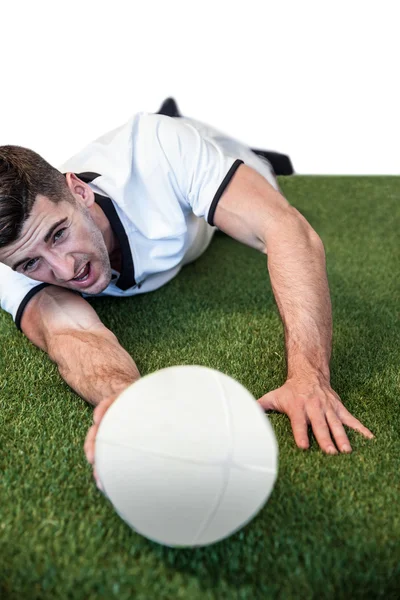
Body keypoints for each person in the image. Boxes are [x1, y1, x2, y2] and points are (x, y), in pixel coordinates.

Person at [0, 99, 374, 490]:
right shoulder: (10, 262)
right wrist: (127, 402)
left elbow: (284, 229)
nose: (63, 270)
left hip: (209, 157)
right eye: (32, 264)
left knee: (260, 178)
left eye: (59, 234)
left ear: (79, 191)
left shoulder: (156, 152)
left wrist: (308, 376)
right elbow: (72, 335)